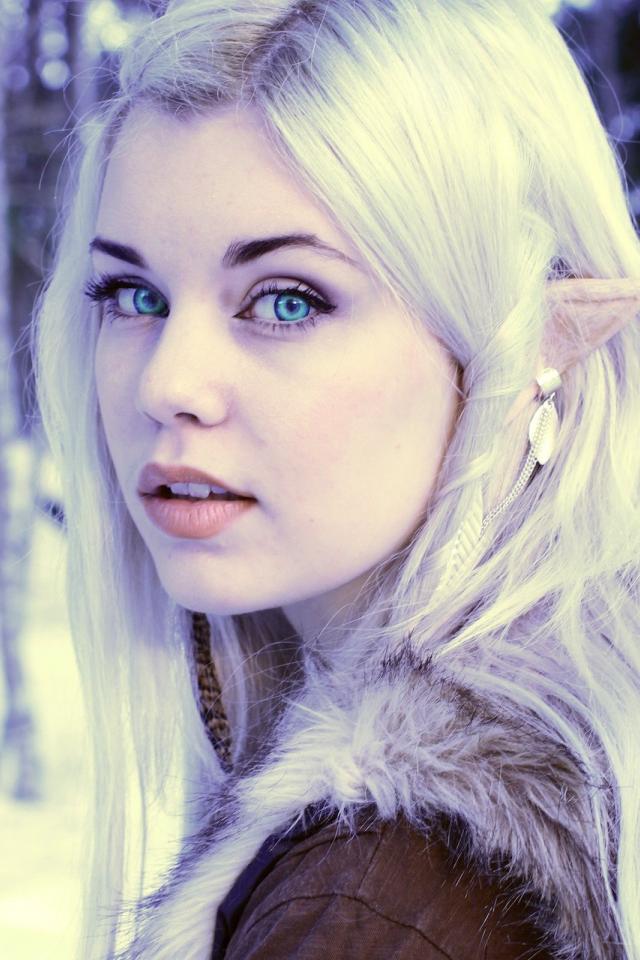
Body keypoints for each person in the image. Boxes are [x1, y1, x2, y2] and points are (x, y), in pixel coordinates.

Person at [31, 0, 640, 957]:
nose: (166, 385)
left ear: (533, 343)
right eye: (133, 294)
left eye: (286, 300)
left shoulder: (381, 903)